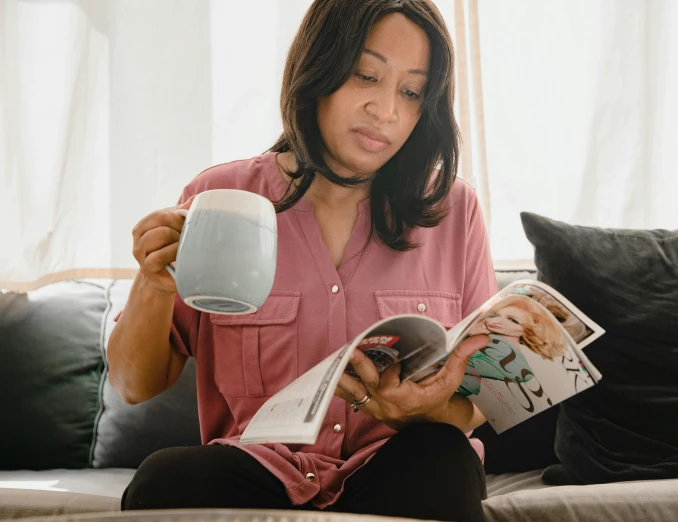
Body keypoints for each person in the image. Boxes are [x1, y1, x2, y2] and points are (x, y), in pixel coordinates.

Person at [107, 1, 496, 521]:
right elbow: (135, 385)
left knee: (442, 459)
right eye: (366, 76)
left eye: (410, 91)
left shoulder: (454, 211)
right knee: (163, 480)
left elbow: (480, 402)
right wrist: (153, 285)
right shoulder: (218, 197)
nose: (386, 111)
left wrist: (423, 410)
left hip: (403, 467)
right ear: (320, 68)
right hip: (257, 471)